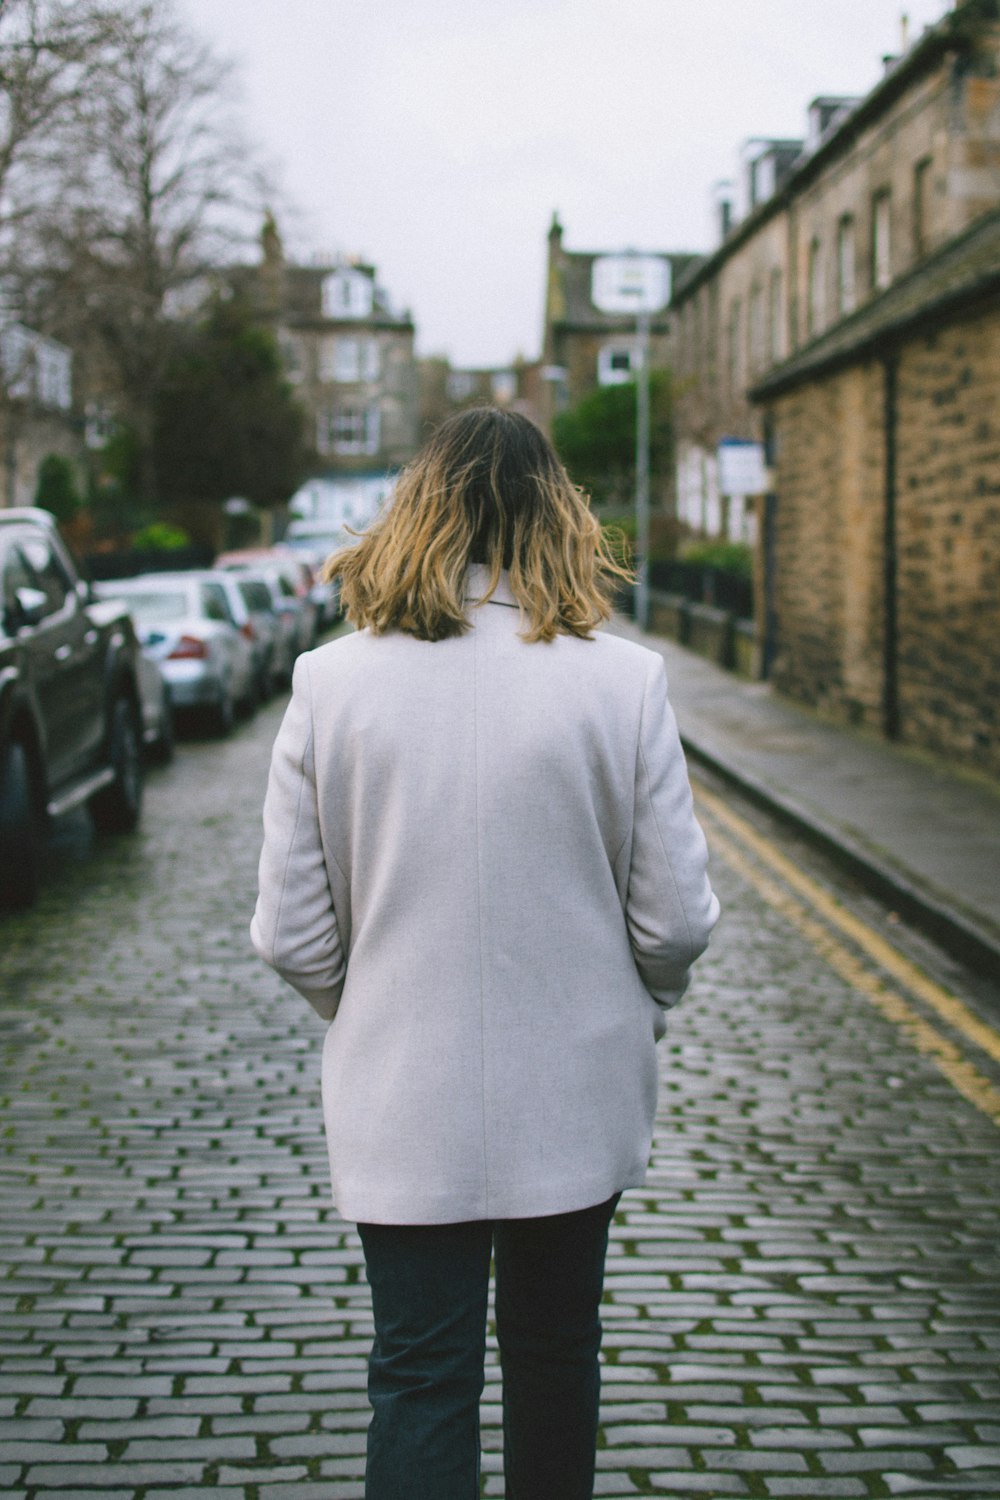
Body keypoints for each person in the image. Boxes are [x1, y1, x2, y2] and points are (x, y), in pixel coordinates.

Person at [251, 406, 719, 1500]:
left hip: (402, 1093)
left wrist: (375, 1003)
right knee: (556, 1358)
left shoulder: (331, 681)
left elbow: (288, 929)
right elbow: (677, 920)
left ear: (415, 508)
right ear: (558, 514)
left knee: (418, 1375)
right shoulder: (623, 681)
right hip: (575, 1091)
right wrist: (637, 997)